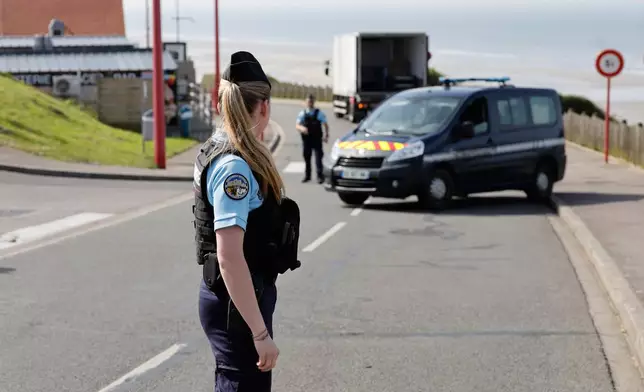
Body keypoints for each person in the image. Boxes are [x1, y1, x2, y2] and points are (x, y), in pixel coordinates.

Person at [193, 51, 301, 392]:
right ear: (264, 107)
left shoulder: (217, 147)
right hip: (236, 307)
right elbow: (229, 256)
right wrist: (260, 332)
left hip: (235, 300)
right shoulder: (234, 168)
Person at [295, 94, 329, 184]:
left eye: (311, 101)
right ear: (306, 102)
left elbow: (325, 124)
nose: (310, 103)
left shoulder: (319, 113)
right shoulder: (303, 113)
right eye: (308, 101)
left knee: (318, 158)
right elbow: (297, 125)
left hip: (317, 139)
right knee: (307, 158)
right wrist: (302, 128)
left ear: (314, 102)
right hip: (307, 140)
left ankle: (320, 176)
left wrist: (326, 135)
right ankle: (307, 176)